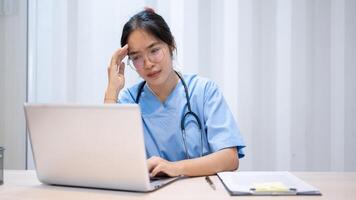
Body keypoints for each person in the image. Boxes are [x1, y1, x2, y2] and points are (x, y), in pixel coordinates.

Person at [104, 8, 245, 178]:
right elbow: (107, 156)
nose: (148, 63)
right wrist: (112, 89)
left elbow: (230, 158)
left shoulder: (204, 91)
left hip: (202, 191)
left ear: (171, 45)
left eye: (154, 50)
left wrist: (175, 168)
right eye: (136, 57)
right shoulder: (129, 100)